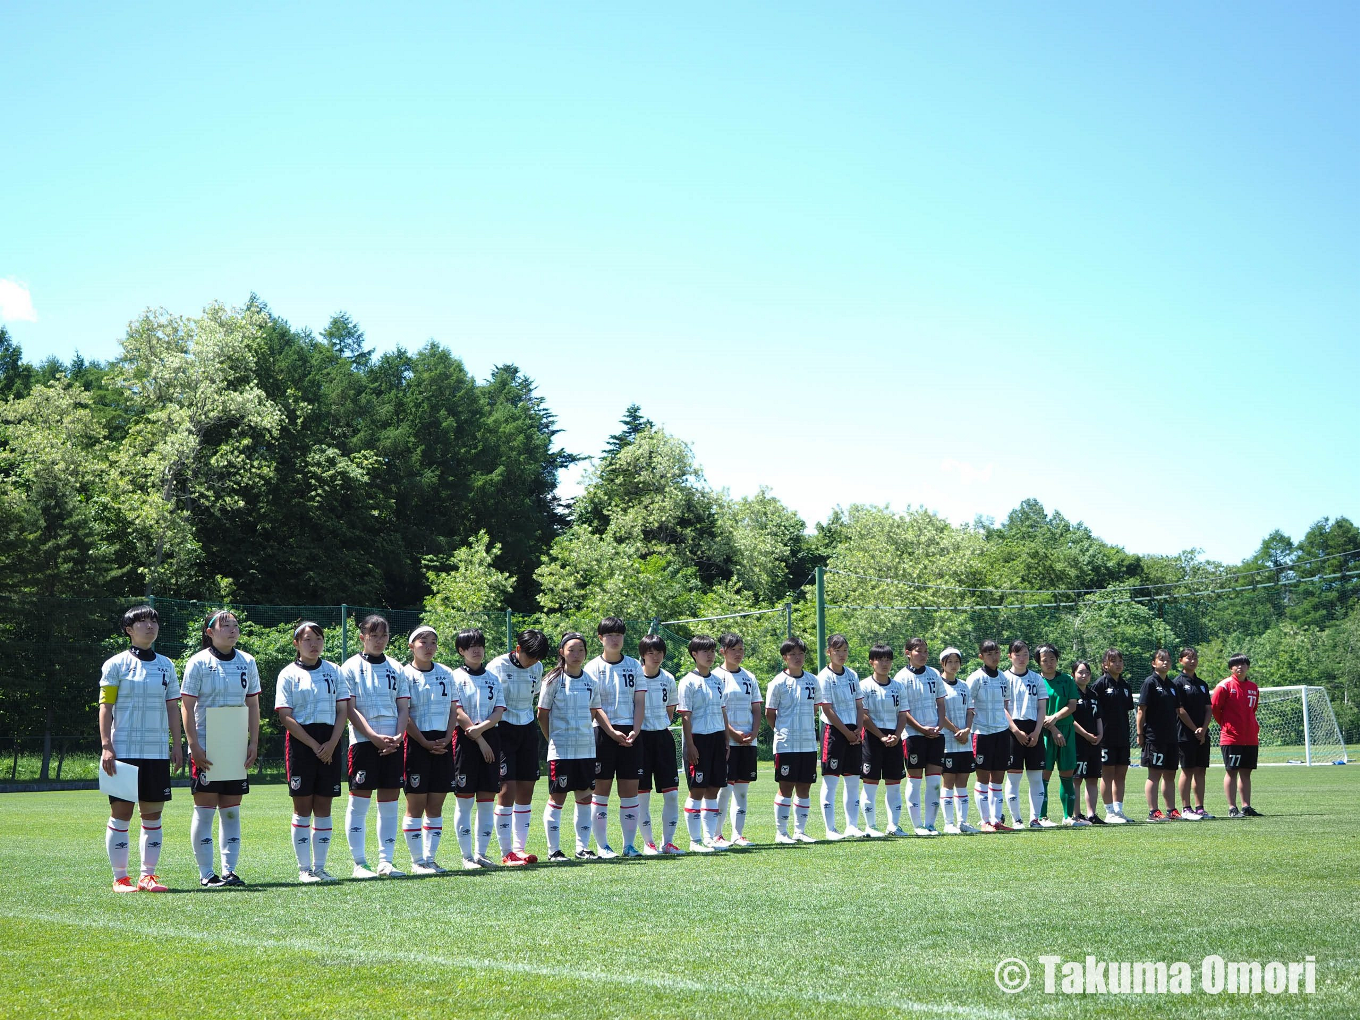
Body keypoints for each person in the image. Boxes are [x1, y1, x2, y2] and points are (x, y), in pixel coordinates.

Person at [98, 605, 183, 892]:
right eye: (143, 622)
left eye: (154, 621)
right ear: (128, 629)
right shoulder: (115, 664)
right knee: (121, 814)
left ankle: (148, 876)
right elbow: (105, 706)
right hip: (123, 751)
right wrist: (107, 746)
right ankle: (120, 878)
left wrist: (177, 744)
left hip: (156, 752)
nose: (150, 626)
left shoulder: (166, 665)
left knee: (153, 815)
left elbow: (172, 707)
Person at [180, 610, 260, 889]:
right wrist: (193, 745)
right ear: (210, 632)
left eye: (235, 625)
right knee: (204, 810)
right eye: (225, 626)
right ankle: (206, 873)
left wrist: (253, 742)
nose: (232, 630)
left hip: (235, 746)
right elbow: (186, 706)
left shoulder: (247, 661)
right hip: (206, 745)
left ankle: (230, 871)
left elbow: (252, 704)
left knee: (231, 811)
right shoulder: (198, 662)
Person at [275, 621, 350, 883]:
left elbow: (343, 711)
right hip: (301, 745)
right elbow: (285, 716)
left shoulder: (335, 671)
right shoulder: (288, 674)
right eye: (307, 639)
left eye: (318, 639)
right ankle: (304, 868)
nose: (314, 644)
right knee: (303, 807)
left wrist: (331, 744)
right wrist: (314, 745)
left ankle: (320, 867)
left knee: (324, 807)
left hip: (330, 743)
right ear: (296, 643)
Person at [340, 614, 411, 877]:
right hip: (363, 742)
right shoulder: (349, 667)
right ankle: (359, 864)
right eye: (374, 636)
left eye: (384, 635)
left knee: (389, 804)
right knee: (359, 803)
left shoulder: (396, 667)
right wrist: (373, 736)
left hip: (393, 743)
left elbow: (403, 707)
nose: (379, 641)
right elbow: (350, 709)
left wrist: (399, 736)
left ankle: (386, 862)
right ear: (363, 637)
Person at [537, 632, 605, 862]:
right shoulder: (552, 680)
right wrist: (553, 739)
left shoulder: (591, 681)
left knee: (585, 798)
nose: (576, 654)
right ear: (562, 652)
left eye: (581, 650)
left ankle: (582, 848)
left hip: (586, 749)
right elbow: (542, 714)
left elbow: (594, 711)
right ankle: (554, 851)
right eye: (571, 650)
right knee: (557, 799)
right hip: (561, 750)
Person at [583, 617, 646, 859]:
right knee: (601, 792)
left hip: (630, 734)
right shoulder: (592, 667)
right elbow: (595, 706)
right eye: (609, 635)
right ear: (600, 638)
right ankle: (603, 846)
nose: (615, 639)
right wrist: (611, 732)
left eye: (618, 634)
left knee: (630, 791)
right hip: (602, 733)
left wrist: (635, 730)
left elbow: (639, 701)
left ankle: (629, 845)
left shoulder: (634, 665)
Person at [487, 628, 551, 865]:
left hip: (527, 728)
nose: (534, 661)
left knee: (527, 788)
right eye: (530, 656)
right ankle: (506, 852)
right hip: (503, 729)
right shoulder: (497, 666)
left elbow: (533, 696)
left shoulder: (537, 667)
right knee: (507, 789)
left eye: (538, 658)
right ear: (517, 649)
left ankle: (519, 849)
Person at [400, 625, 457, 874]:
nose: (429, 647)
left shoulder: (446, 673)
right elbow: (404, 713)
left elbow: (454, 709)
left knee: (435, 805)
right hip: (416, 743)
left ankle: (430, 859)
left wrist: (447, 737)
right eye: (423, 642)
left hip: (442, 743)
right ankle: (417, 861)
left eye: (433, 642)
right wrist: (423, 742)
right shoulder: (404, 674)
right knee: (415, 805)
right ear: (412, 646)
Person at [450, 628, 507, 868]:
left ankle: (481, 854)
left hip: (489, 737)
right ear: (461, 651)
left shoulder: (493, 678)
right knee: (464, 801)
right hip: (465, 740)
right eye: (471, 646)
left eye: (480, 646)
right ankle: (467, 857)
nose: (477, 650)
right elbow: (457, 711)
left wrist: (481, 731)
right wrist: (479, 738)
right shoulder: (453, 677)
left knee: (486, 800)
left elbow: (499, 710)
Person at [765, 637, 822, 843]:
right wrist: (781, 731)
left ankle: (800, 831)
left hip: (808, 743)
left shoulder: (813, 680)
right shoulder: (777, 682)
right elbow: (769, 713)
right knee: (786, 787)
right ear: (785, 657)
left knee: (805, 787)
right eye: (792, 654)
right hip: (786, 744)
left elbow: (815, 707)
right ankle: (781, 833)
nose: (797, 658)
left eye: (801, 654)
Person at [677, 634, 729, 853]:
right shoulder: (687, 682)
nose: (710, 655)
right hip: (698, 739)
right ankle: (695, 840)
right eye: (705, 651)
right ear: (694, 654)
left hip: (717, 738)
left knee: (713, 789)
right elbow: (685, 716)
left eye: (712, 651)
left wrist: (726, 740)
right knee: (697, 789)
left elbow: (722, 710)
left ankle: (710, 838)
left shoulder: (717, 681)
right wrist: (690, 745)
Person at [636, 634, 682, 855]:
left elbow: (670, 711)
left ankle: (668, 842)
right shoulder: (636, 677)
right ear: (643, 655)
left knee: (671, 794)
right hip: (640, 739)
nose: (656, 657)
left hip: (663, 738)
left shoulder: (668, 678)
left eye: (659, 652)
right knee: (642, 795)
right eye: (650, 653)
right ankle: (649, 843)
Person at [897, 637, 947, 836]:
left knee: (934, 782)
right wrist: (921, 728)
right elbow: (903, 710)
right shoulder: (901, 677)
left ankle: (931, 825)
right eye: (919, 651)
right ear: (908, 653)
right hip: (913, 735)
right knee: (915, 781)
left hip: (936, 734)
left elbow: (941, 704)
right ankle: (918, 826)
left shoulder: (934, 674)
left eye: (926, 651)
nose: (923, 655)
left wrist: (939, 726)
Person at [714, 632, 761, 847]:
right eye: (733, 649)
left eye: (741, 649)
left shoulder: (749, 677)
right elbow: (717, 710)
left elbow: (756, 707)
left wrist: (754, 732)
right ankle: (717, 834)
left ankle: (737, 834)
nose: (738, 653)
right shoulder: (715, 676)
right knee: (724, 789)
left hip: (748, 741)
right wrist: (732, 733)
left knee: (742, 791)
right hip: (727, 742)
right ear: (722, 651)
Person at [817, 634, 864, 839]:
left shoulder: (852, 674)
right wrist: (846, 733)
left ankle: (852, 826)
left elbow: (859, 705)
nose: (842, 654)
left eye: (845, 650)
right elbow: (827, 709)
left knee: (853, 781)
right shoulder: (824, 676)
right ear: (828, 652)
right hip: (834, 732)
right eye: (837, 650)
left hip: (854, 732)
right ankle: (831, 829)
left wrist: (859, 729)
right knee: (831, 781)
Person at [857, 643, 907, 837]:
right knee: (870, 783)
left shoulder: (898, 687)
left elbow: (902, 714)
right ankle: (871, 826)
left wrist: (896, 735)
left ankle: (893, 826)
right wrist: (881, 736)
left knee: (894, 784)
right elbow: (864, 716)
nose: (885, 664)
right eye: (880, 660)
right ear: (872, 662)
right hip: (872, 738)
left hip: (894, 738)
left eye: (888, 660)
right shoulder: (864, 686)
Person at [965, 640, 1014, 832]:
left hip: (1001, 732)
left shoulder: (1003, 678)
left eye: (996, 653)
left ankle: (996, 820)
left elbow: (1005, 705)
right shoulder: (975, 678)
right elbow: (967, 705)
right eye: (989, 654)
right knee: (983, 778)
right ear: (981, 657)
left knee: (998, 779)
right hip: (982, 733)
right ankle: (985, 821)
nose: (994, 657)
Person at [1002, 639, 1049, 829]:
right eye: (1018, 654)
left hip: (1034, 729)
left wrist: (1037, 732)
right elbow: (1003, 707)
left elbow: (1042, 707)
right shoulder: (1003, 678)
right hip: (1012, 730)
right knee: (1013, 777)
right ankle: (1017, 819)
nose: (1022, 658)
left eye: (1025, 655)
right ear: (1010, 656)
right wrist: (1015, 730)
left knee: (1036, 777)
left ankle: (1034, 819)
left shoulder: (1037, 679)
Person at [1212, 654, 1262, 817]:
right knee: (1231, 771)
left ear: (1248, 666)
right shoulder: (1224, 686)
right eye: (1236, 664)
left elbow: (1253, 709)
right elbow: (1215, 708)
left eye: (1243, 664)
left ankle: (1246, 806)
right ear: (1230, 668)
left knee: (1246, 772)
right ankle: (1232, 807)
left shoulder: (1253, 687)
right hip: (1231, 737)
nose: (1240, 667)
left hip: (1250, 737)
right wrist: (1227, 726)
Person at [1037, 644, 1081, 827]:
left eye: (1052, 659)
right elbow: (1034, 709)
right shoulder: (1036, 681)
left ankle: (1068, 817)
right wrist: (1053, 728)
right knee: (1044, 775)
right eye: (1044, 660)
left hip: (1066, 730)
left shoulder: (1067, 680)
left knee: (1067, 773)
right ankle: (1042, 817)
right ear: (1038, 662)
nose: (1049, 663)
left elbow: (1072, 705)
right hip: (1044, 731)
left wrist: (1055, 718)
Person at [1137, 648, 1182, 821]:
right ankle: (1153, 811)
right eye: (1161, 659)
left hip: (1171, 737)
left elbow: (1177, 710)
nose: (1165, 662)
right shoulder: (1150, 683)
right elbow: (1141, 710)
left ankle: (1171, 810)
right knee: (1154, 774)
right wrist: (1140, 733)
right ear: (1153, 663)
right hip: (1154, 737)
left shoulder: (1171, 685)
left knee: (1170, 774)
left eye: (1168, 660)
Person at [937, 647, 978, 834]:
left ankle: (963, 822)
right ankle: (948, 823)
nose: (954, 665)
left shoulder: (963, 685)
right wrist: (955, 730)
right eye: (950, 662)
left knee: (962, 782)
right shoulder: (938, 684)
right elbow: (939, 712)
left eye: (956, 662)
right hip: (948, 740)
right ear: (942, 663)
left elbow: (970, 711)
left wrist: (967, 730)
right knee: (948, 782)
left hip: (965, 741)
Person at [1091, 648, 1134, 824]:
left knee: (1121, 774)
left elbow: (1128, 710)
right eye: (1113, 661)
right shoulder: (1100, 684)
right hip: (1106, 738)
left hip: (1122, 737)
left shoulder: (1125, 686)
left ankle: (1118, 810)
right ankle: (1109, 812)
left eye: (1120, 661)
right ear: (1105, 665)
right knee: (1107, 774)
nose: (1118, 664)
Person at [1173, 647, 1214, 819]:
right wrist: (1194, 729)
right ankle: (1186, 808)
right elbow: (1180, 710)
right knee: (1187, 770)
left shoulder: (1202, 684)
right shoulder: (1177, 683)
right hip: (1185, 734)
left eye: (1195, 658)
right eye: (1188, 658)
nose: (1192, 661)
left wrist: (1203, 729)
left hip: (1202, 735)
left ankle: (1200, 808)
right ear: (1181, 661)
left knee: (1200, 770)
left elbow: (1208, 709)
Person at [1071, 661, 1105, 824]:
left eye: (1087, 673)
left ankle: (1092, 814)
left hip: (1094, 743)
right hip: (1078, 742)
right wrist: (1085, 735)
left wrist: (1100, 735)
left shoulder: (1093, 694)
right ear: (1073, 674)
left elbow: (1098, 717)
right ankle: (1077, 814)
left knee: (1092, 778)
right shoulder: (1071, 693)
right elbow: (1070, 719)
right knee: (1077, 778)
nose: (1084, 675)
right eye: (1080, 672)